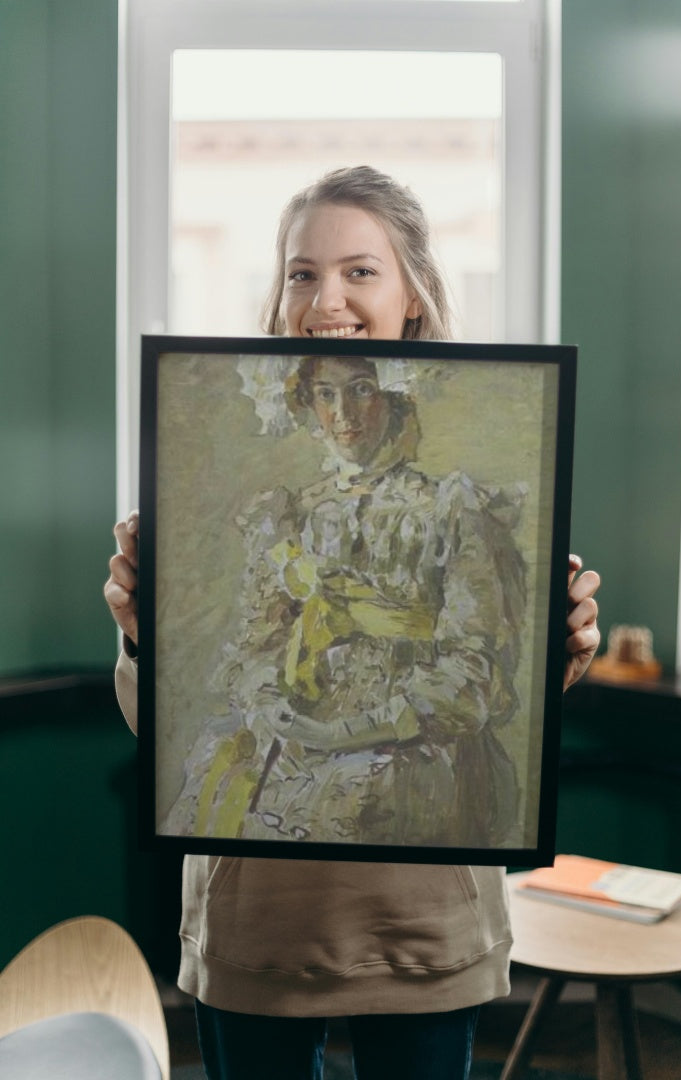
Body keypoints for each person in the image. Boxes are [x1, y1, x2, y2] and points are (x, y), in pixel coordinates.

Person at [105, 166, 601, 1080]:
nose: (325, 298)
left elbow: (484, 688)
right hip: (259, 906)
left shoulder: (460, 508)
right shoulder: (277, 515)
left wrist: (552, 655)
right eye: (301, 272)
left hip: (417, 900)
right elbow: (180, 712)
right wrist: (146, 639)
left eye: (359, 271)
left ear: (412, 295)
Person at [162, 352, 527, 849]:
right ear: (305, 403)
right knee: (226, 780)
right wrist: (268, 704)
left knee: (358, 801)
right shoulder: (291, 514)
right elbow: (259, 643)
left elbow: (473, 670)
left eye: (360, 389)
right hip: (300, 724)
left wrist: (347, 733)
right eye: (325, 395)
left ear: (394, 397)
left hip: (409, 736)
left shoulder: (451, 510)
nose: (344, 415)